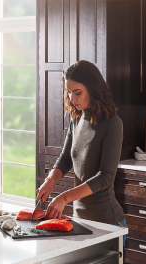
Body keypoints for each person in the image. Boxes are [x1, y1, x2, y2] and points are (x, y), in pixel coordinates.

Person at [35, 60, 127, 236]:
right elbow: (65, 159)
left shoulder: (113, 124)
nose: (72, 98)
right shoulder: (76, 121)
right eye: (69, 92)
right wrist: (50, 181)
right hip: (80, 219)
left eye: (77, 92)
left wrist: (64, 197)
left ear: (93, 89)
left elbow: (105, 177)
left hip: (108, 223)